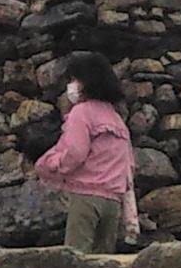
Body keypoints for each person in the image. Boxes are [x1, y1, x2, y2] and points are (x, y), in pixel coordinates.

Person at [35, 52, 136, 253]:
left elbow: (75, 153)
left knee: (77, 257)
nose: (70, 85)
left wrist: (51, 164)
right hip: (113, 201)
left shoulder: (81, 113)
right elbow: (129, 165)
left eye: (73, 79)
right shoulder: (116, 119)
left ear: (85, 81)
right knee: (103, 259)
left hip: (86, 196)